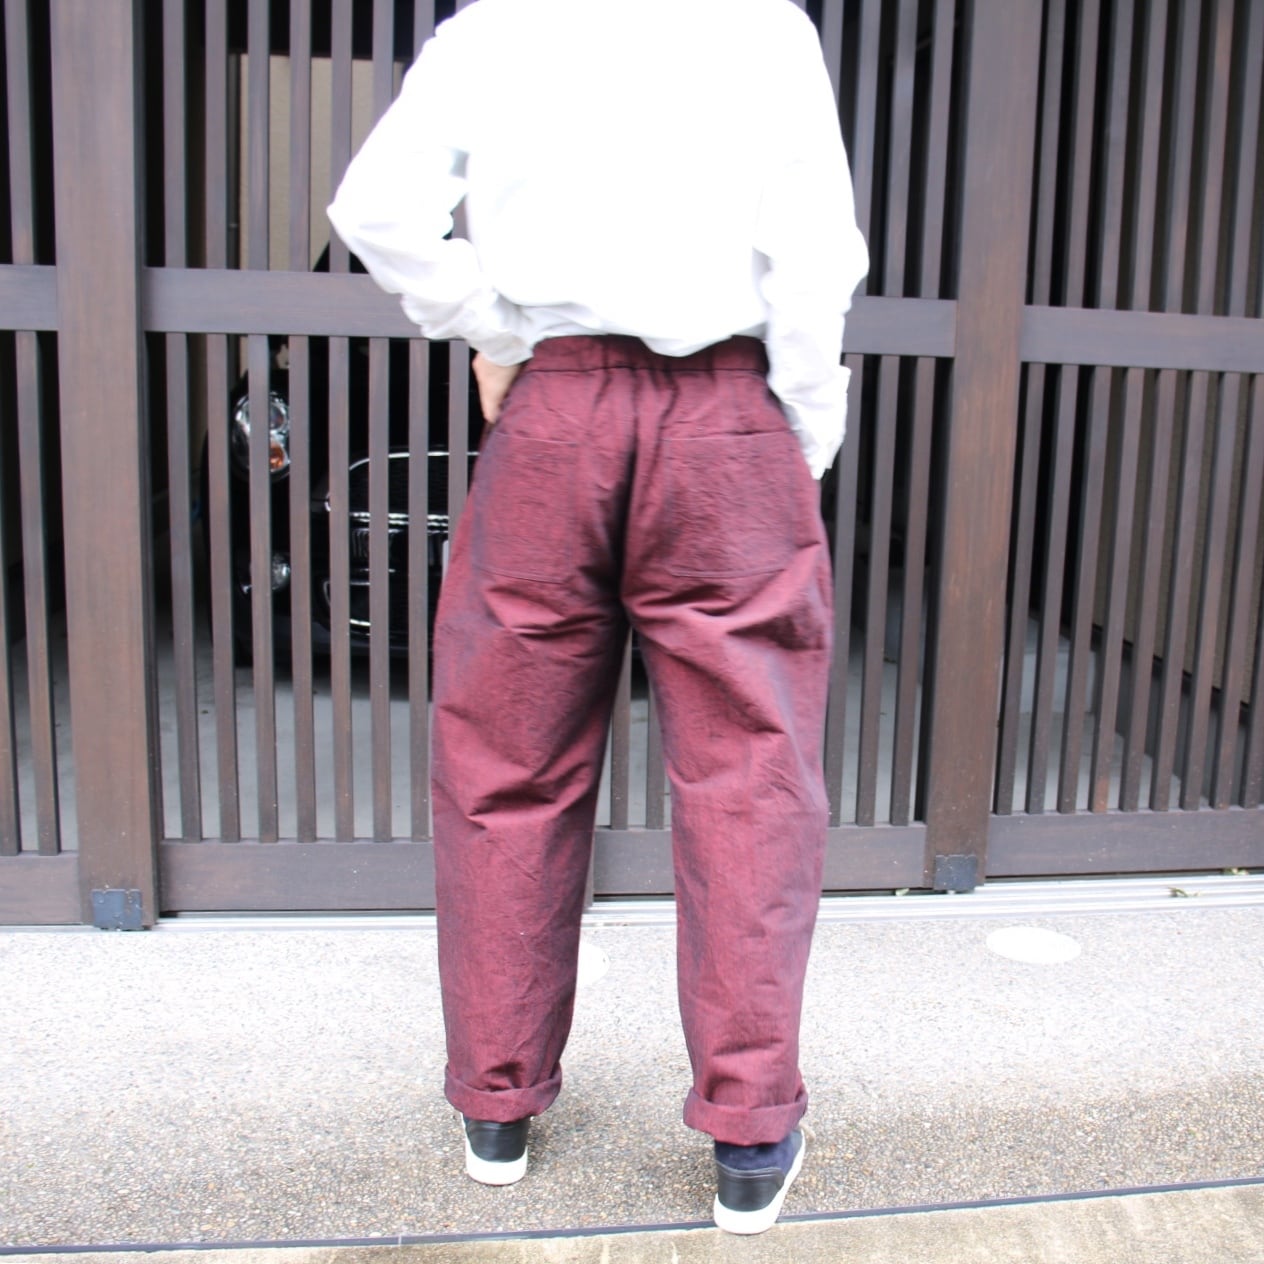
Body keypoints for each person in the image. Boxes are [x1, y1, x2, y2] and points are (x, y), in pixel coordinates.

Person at [328, 0, 867, 1235]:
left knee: (505, 762)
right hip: (726, 414)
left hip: (553, 415)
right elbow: (812, 254)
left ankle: (497, 1105)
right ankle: (749, 1135)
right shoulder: (761, 27)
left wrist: (495, 329)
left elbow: (375, 209)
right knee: (750, 773)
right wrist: (802, 433)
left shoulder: (495, 27)